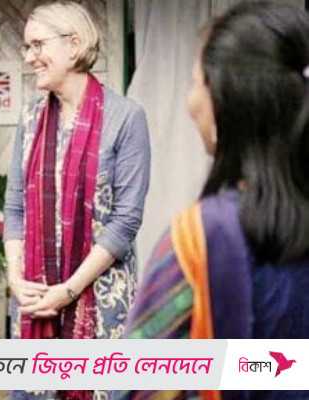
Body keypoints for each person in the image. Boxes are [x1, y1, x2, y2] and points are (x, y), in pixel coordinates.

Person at [124, 3, 309, 400]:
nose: (190, 102)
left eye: (196, 83)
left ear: (228, 101)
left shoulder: (201, 238)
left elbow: (140, 385)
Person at [3, 1, 150, 399]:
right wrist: (15, 278)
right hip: (35, 301)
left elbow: (125, 222)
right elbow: (14, 206)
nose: (29, 57)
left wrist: (68, 290)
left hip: (101, 304)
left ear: (73, 45)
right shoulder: (30, 119)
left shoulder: (125, 118)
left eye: (37, 45)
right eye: (27, 47)